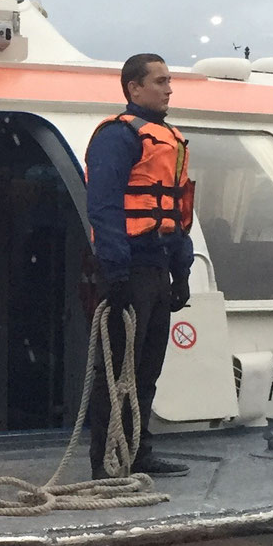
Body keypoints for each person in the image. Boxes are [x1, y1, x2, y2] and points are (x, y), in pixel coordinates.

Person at [85, 53, 196, 478]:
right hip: (128, 270)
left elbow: (178, 215)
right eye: (161, 81)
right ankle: (106, 463)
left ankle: (137, 451)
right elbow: (106, 207)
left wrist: (181, 272)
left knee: (147, 370)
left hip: (157, 269)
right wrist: (114, 272)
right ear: (134, 88)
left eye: (169, 81)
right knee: (115, 370)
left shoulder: (169, 140)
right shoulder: (119, 137)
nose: (169, 88)